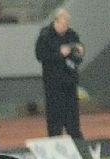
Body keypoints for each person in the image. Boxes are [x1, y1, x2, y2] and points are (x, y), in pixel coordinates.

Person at [35, 7, 85, 138]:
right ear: (56, 22)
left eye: (66, 24)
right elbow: (40, 56)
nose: (65, 27)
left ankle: (76, 140)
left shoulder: (72, 34)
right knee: (55, 116)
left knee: (73, 115)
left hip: (70, 81)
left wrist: (79, 51)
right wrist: (60, 54)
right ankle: (55, 140)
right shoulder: (45, 36)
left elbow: (78, 54)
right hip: (53, 83)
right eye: (63, 24)